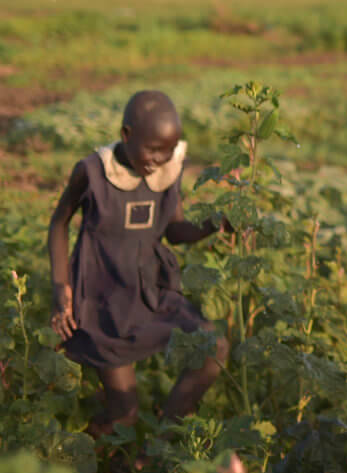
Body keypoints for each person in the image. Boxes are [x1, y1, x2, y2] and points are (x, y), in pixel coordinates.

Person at [47, 90, 230, 436]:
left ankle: (162, 444)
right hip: (102, 303)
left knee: (213, 347)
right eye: (152, 149)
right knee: (123, 415)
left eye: (168, 151)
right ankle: (77, 466)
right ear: (126, 134)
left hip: (149, 292)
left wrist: (212, 223)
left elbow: (174, 231)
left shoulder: (167, 170)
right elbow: (59, 223)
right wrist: (61, 288)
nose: (159, 159)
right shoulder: (93, 172)